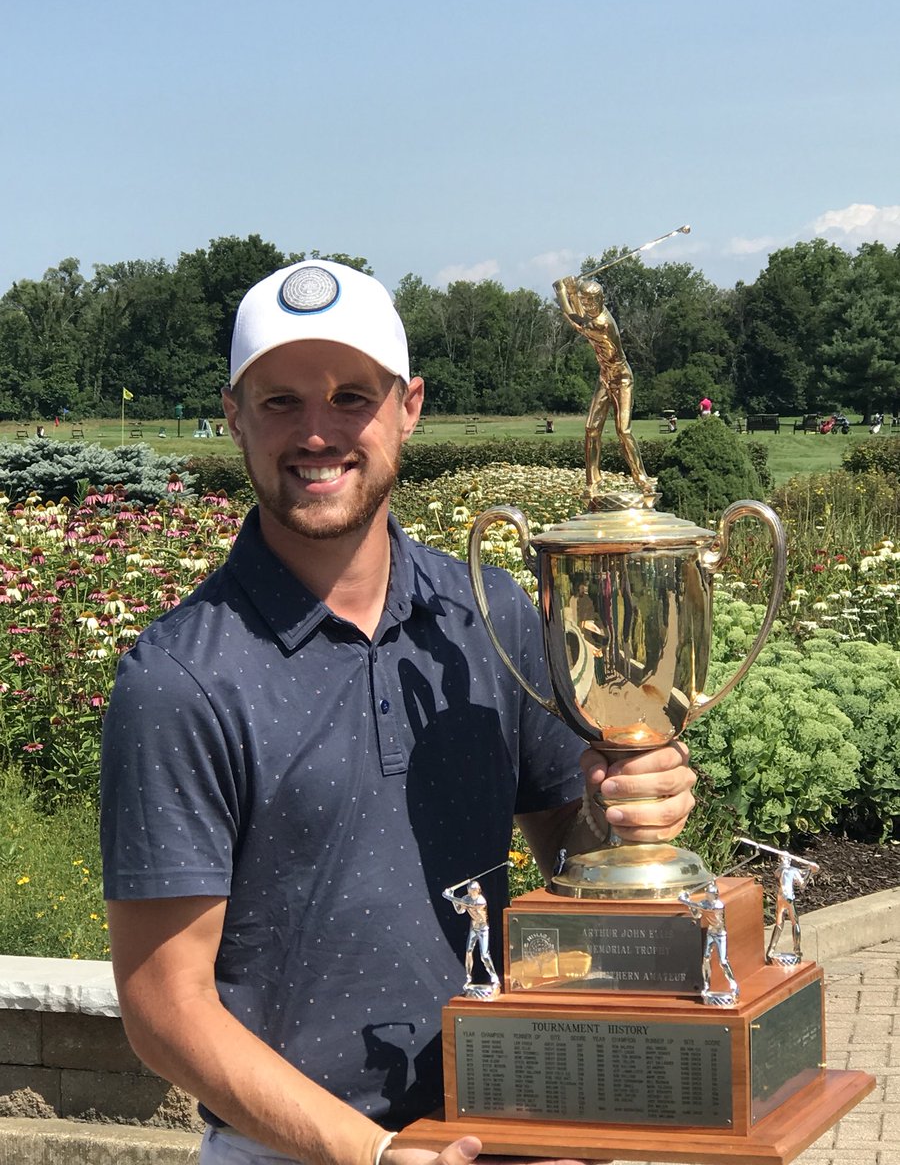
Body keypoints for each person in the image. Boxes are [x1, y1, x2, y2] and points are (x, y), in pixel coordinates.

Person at [101, 261, 696, 1165]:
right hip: (296, 1149)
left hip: (507, 1123)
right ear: (232, 414)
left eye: (351, 397)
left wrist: (625, 820)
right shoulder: (180, 677)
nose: (316, 433)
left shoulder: (490, 617)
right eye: (278, 402)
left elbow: (571, 859)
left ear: (408, 406)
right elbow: (163, 1009)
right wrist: (371, 1154)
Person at [553, 276, 655, 499]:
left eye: (591, 302)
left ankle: (642, 479)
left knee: (623, 430)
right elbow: (581, 314)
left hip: (622, 378)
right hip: (605, 377)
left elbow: (575, 320)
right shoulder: (592, 313)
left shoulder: (602, 323)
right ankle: (593, 481)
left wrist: (562, 292)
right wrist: (573, 292)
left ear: (601, 300)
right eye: (584, 301)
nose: (588, 306)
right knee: (591, 428)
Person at [442, 879, 501, 995]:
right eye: (470, 890)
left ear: (478, 891)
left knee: (484, 955)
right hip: (473, 927)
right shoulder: (466, 898)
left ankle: (495, 979)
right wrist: (453, 899)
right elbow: (460, 910)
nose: (472, 892)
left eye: (474, 890)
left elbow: (468, 905)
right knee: (468, 951)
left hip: (483, 929)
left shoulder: (481, 901)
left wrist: (450, 897)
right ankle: (468, 977)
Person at [766, 851, 819, 963]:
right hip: (789, 897)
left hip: (780, 897)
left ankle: (770, 951)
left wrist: (809, 870)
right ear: (789, 860)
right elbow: (802, 884)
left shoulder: (778, 871)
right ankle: (797, 950)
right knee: (795, 922)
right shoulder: (791, 870)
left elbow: (790, 872)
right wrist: (810, 871)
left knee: (779, 923)